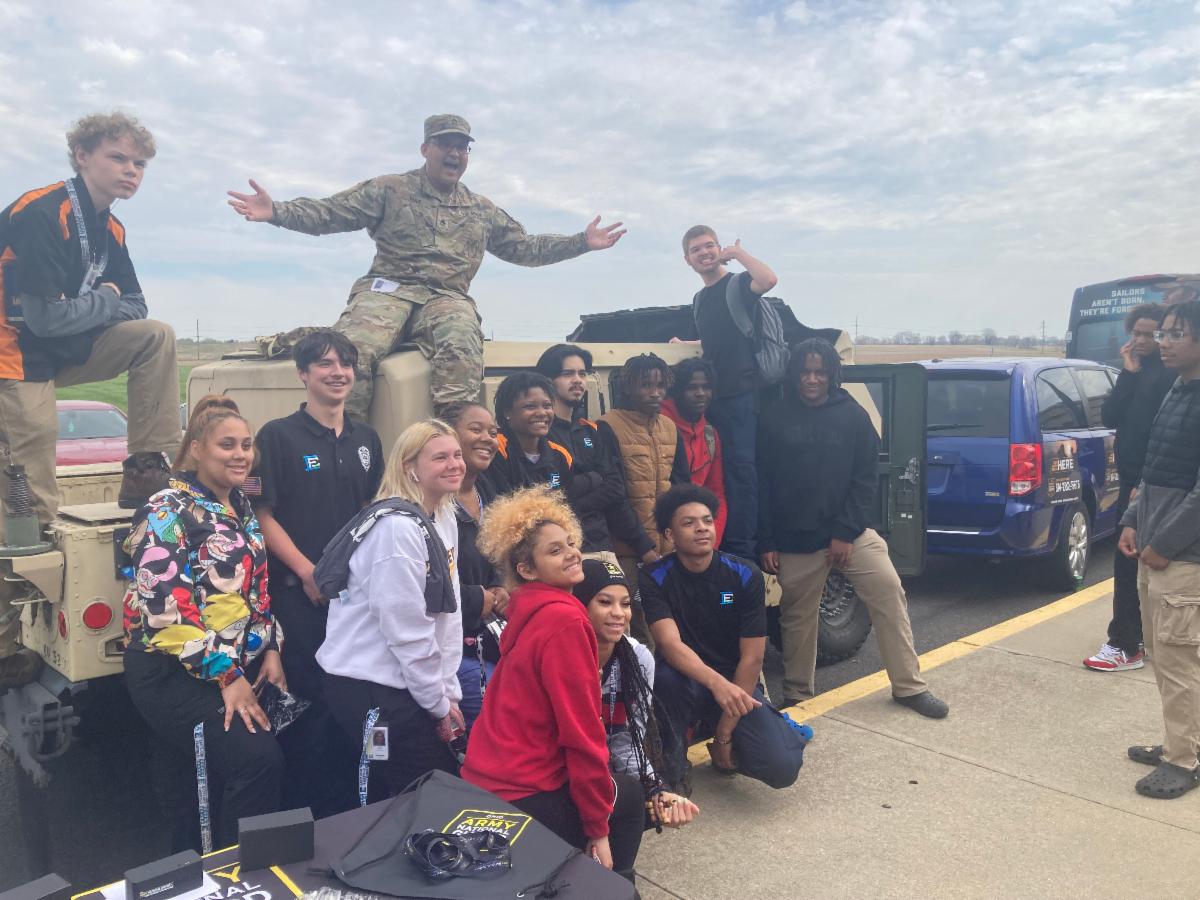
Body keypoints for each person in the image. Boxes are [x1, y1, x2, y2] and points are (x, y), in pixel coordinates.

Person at [227, 114, 626, 416]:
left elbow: (524, 247)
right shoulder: (390, 189)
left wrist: (581, 243)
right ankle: (346, 444)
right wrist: (276, 211)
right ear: (425, 149)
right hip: (389, 289)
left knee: (462, 344)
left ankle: (455, 450)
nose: (454, 153)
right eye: (444, 144)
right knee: (351, 353)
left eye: (462, 147)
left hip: (447, 298)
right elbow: (331, 213)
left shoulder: (480, 209)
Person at [0, 113, 180, 687]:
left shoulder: (114, 230)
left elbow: (136, 305)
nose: (130, 171)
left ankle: (147, 474)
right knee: (33, 487)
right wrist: (104, 299)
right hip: (14, 350)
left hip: (61, 346)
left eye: (139, 164)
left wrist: (101, 302)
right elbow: (43, 318)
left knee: (155, 336)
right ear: (81, 155)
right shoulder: (41, 210)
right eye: (118, 158)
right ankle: (13, 636)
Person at [461, 487, 645, 882]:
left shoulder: (527, 612)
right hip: (524, 792)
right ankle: (604, 887)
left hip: (486, 780)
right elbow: (581, 733)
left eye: (571, 544)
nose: (573, 553)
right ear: (527, 569)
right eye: (555, 551)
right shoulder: (565, 621)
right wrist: (598, 831)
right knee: (627, 799)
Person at [122, 400, 284, 848]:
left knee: (194, 782)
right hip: (169, 669)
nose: (240, 454)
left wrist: (270, 646)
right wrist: (228, 676)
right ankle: (238, 866)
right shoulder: (166, 510)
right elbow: (164, 616)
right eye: (226, 445)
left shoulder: (240, 505)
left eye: (247, 445)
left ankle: (200, 866)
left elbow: (256, 590)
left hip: (225, 665)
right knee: (257, 759)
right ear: (196, 449)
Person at [758, 338, 948, 717]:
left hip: (853, 534)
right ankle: (797, 695)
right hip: (796, 538)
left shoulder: (853, 416)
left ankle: (909, 687)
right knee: (797, 618)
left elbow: (866, 479)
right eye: (805, 372)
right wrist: (766, 539)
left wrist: (845, 533)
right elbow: (762, 484)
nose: (812, 379)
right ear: (794, 374)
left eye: (820, 372)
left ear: (832, 375)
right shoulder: (773, 418)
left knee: (889, 592)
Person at [246, 330, 384, 815]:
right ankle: (302, 817)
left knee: (352, 703)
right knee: (306, 710)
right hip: (299, 598)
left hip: (353, 600)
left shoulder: (366, 438)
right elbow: (262, 515)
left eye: (345, 363)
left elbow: (371, 510)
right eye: (324, 364)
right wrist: (309, 572)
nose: (337, 372)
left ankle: (350, 808)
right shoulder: (278, 437)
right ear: (303, 374)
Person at [316, 420, 466, 800]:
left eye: (457, 455)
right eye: (440, 457)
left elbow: (449, 615)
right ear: (409, 467)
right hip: (369, 690)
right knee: (413, 792)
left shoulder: (444, 517)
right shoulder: (396, 530)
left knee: (430, 790)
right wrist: (437, 704)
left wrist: (448, 693)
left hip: (410, 684)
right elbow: (406, 629)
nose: (455, 464)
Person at [642, 484, 807, 791]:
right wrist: (715, 684)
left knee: (782, 767)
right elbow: (669, 644)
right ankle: (674, 760)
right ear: (669, 535)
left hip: (736, 682)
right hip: (685, 684)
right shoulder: (654, 577)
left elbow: (752, 658)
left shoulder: (745, 574)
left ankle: (733, 739)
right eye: (688, 523)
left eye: (707, 520)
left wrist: (724, 736)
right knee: (664, 678)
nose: (702, 528)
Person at [1120, 300, 1200, 799]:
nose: (1165, 342)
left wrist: (1164, 546)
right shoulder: (1178, 388)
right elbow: (1155, 467)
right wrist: (1131, 521)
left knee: (1178, 661)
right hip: (1153, 542)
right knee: (1165, 657)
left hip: (1183, 557)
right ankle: (1180, 742)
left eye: (1178, 334)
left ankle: (1184, 761)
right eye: (1164, 333)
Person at [573, 558, 699, 831]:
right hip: (560, 771)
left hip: (602, 768)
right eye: (605, 602)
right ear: (579, 607)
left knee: (642, 804)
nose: (619, 613)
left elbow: (626, 742)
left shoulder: (638, 658)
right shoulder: (561, 655)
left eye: (626, 604)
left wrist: (657, 790)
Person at [1084, 303, 1174, 672]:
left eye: (1150, 334)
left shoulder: (1170, 376)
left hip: (1147, 484)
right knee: (1136, 566)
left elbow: (1163, 435)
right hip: (1133, 483)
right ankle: (1137, 639)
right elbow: (1110, 417)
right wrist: (1129, 373)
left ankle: (1125, 644)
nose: (1141, 340)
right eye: (1136, 333)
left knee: (1130, 563)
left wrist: (1141, 483)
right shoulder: (1139, 373)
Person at [681, 226, 778, 559]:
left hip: (741, 395)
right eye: (697, 250)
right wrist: (687, 346)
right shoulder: (700, 299)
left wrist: (738, 255)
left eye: (710, 246)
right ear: (687, 259)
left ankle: (742, 550)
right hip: (714, 398)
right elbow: (717, 341)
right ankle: (723, 539)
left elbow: (768, 280)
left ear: (719, 248)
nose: (705, 253)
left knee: (741, 472)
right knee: (719, 472)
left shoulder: (736, 284)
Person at [535, 343, 657, 568]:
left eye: (582, 373)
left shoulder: (594, 430)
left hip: (601, 547)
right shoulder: (538, 434)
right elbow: (555, 495)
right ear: (547, 380)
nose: (578, 380)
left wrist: (642, 544)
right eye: (567, 373)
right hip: (558, 554)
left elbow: (616, 490)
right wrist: (595, 479)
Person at [440, 401, 508, 730]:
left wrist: (499, 587)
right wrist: (476, 598)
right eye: (476, 429)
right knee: (499, 701)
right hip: (447, 649)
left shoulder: (488, 493)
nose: (487, 438)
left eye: (493, 432)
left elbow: (498, 556)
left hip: (487, 635)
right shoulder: (432, 503)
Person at [661, 357, 727, 548]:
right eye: (692, 387)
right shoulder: (658, 425)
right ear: (678, 391)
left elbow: (717, 494)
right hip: (664, 536)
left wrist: (711, 543)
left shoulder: (710, 434)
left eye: (706, 387)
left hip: (698, 537)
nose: (701, 394)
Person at [483, 371, 575, 497]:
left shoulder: (561, 456)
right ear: (507, 412)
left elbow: (565, 502)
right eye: (530, 406)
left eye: (547, 406)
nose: (542, 413)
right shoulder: (494, 449)